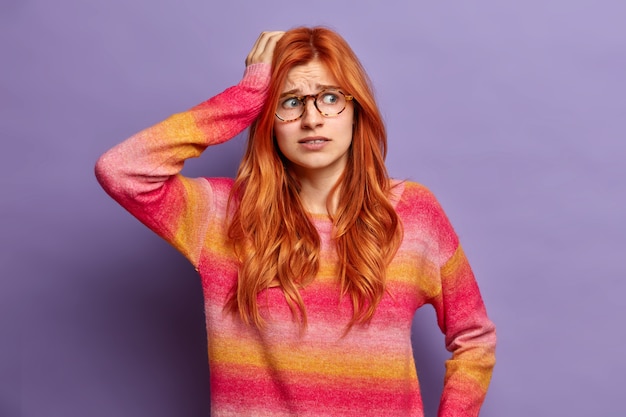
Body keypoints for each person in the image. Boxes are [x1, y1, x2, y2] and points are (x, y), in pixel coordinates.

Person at [96, 27, 496, 417]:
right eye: (290, 102)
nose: (312, 119)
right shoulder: (219, 213)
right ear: (268, 119)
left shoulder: (413, 213)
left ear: (357, 111)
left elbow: (474, 337)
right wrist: (245, 96)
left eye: (330, 98)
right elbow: (121, 169)